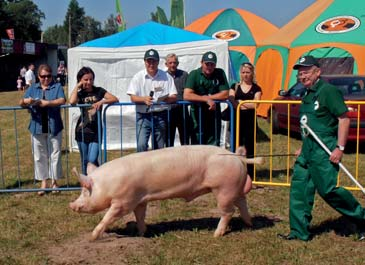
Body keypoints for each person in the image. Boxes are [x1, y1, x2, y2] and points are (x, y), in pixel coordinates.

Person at [278, 55, 365, 241]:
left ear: (318, 72)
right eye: (300, 73)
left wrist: (340, 148)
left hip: (324, 150)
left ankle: (362, 218)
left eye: (306, 72)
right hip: (308, 150)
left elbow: (344, 118)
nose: (302, 76)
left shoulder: (328, 91)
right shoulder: (307, 93)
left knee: (328, 190)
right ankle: (299, 232)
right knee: (299, 190)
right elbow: (308, 124)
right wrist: (303, 147)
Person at [19, 64, 66, 196]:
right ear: (38, 76)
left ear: (52, 75)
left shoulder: (57, 86)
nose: (46, 79)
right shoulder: (32, 88)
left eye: (48, 76)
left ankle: (55, 182)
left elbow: (62, 99)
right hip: (37, 126)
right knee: (39, 156)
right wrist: (26, 101)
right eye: (43, 76)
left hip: (54, 126)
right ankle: (44, 182)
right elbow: (21, 102)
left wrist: (48, 103)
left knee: (55, 154)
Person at [69, 67, 118, 175]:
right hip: (82, 130)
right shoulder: (80, 94)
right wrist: (77, 86)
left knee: (92, 158)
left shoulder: (99, 91)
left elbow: (115, 98)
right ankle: (87, 183)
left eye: (91, 79)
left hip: (96, 130)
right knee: (85, 160)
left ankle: (97, 178)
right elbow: (72, 101)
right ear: (80, 80)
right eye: (86, 79)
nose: (89, 82)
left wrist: (101, 102)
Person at [127, 49, 177, 152]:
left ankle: (156, 168)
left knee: (158, 148)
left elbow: (174, 96)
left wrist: (168, 99)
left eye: (154, 61)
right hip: (143, 116)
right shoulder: (138, 77)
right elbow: (132, 97)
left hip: (161, 115)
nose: (151, 64)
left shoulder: (167, 77)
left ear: (158, 62)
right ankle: (142, 167)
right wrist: (143, 99)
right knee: (141, 145)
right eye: (149, 61)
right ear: (144, 62)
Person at [184, 51, 229, 146]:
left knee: (213, 144)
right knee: (197, 144)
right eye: (207, 64)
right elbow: (187, 95)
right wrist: (206, 100)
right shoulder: (194, 74)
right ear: (201, 63)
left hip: (214, 115)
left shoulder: (219, 73)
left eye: (212, 64)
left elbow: (225, 94)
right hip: (197, 114)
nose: (209, 67)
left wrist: (208, 98)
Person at [228, 62, 262, 178]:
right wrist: (244, 103)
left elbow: (255, 105)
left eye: (248, 72)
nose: (245, 75)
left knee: (250, 148)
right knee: (236, 146)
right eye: (243, 72)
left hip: (250, 122)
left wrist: (241, 102)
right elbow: (232, 101)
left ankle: (250, 175)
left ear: (252, 73)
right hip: (237, 120)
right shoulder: (234, 86)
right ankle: (236, 174)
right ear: (240, 73)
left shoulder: (256, 88)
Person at [165, 53, 190, 146]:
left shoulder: (184, 75)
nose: (173, 65)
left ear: (178, 63)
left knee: (185, 139)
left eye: (174, 62)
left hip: (182, 111)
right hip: (168, 111)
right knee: (168, 140)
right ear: (166, 64)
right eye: (170, 63)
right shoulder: (163, 76)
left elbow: (189, 92)